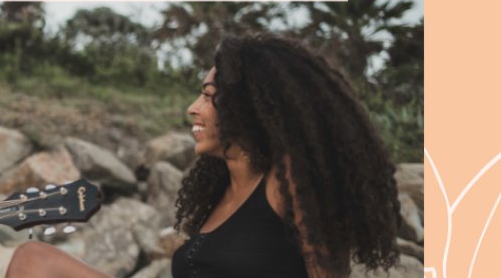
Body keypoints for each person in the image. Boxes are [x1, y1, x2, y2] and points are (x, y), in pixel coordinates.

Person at [171, 35, 401, 278]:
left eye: (208, 96)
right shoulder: (218, 191)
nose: (193, 108)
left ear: (243, 106)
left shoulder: (291, 181)